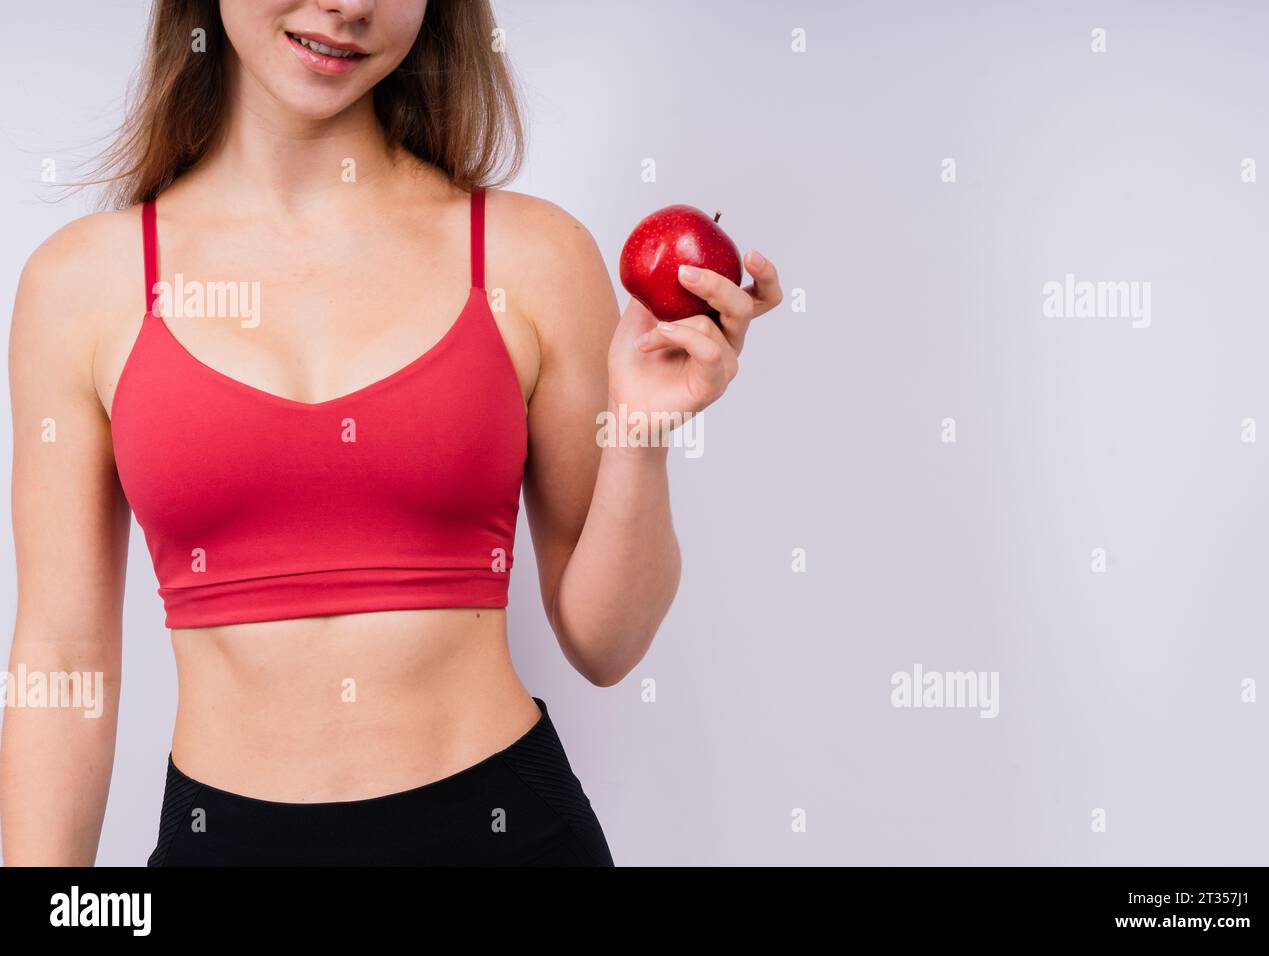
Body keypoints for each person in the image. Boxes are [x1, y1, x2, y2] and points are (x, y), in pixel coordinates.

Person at [0, 0, 781, 865]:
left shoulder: (532, 255)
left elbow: (607, 644)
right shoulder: (81, 285)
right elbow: (62, 659)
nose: (349, 5)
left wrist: (639, 434)